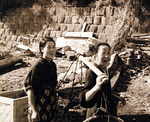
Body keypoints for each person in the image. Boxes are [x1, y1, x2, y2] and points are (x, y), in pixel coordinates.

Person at [24, 37, 58, 122]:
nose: (52, 50)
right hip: (38, 105)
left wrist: (55, 104)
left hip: (50, 104)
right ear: (42, 49)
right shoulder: (37, 65)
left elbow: (53, 86)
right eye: (49, 47)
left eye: (54, 47)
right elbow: (29, 88)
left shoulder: (53, 65)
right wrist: (34, 111)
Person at [79, 42, 116, 120]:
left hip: (106, 112)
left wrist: (114, 96)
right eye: (103, 53)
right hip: (95, 114)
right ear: (95, 55)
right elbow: (84, 99)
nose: (107, 56)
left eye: (109, 53)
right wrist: (97, 86)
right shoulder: (92, 72)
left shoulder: (105, 70)